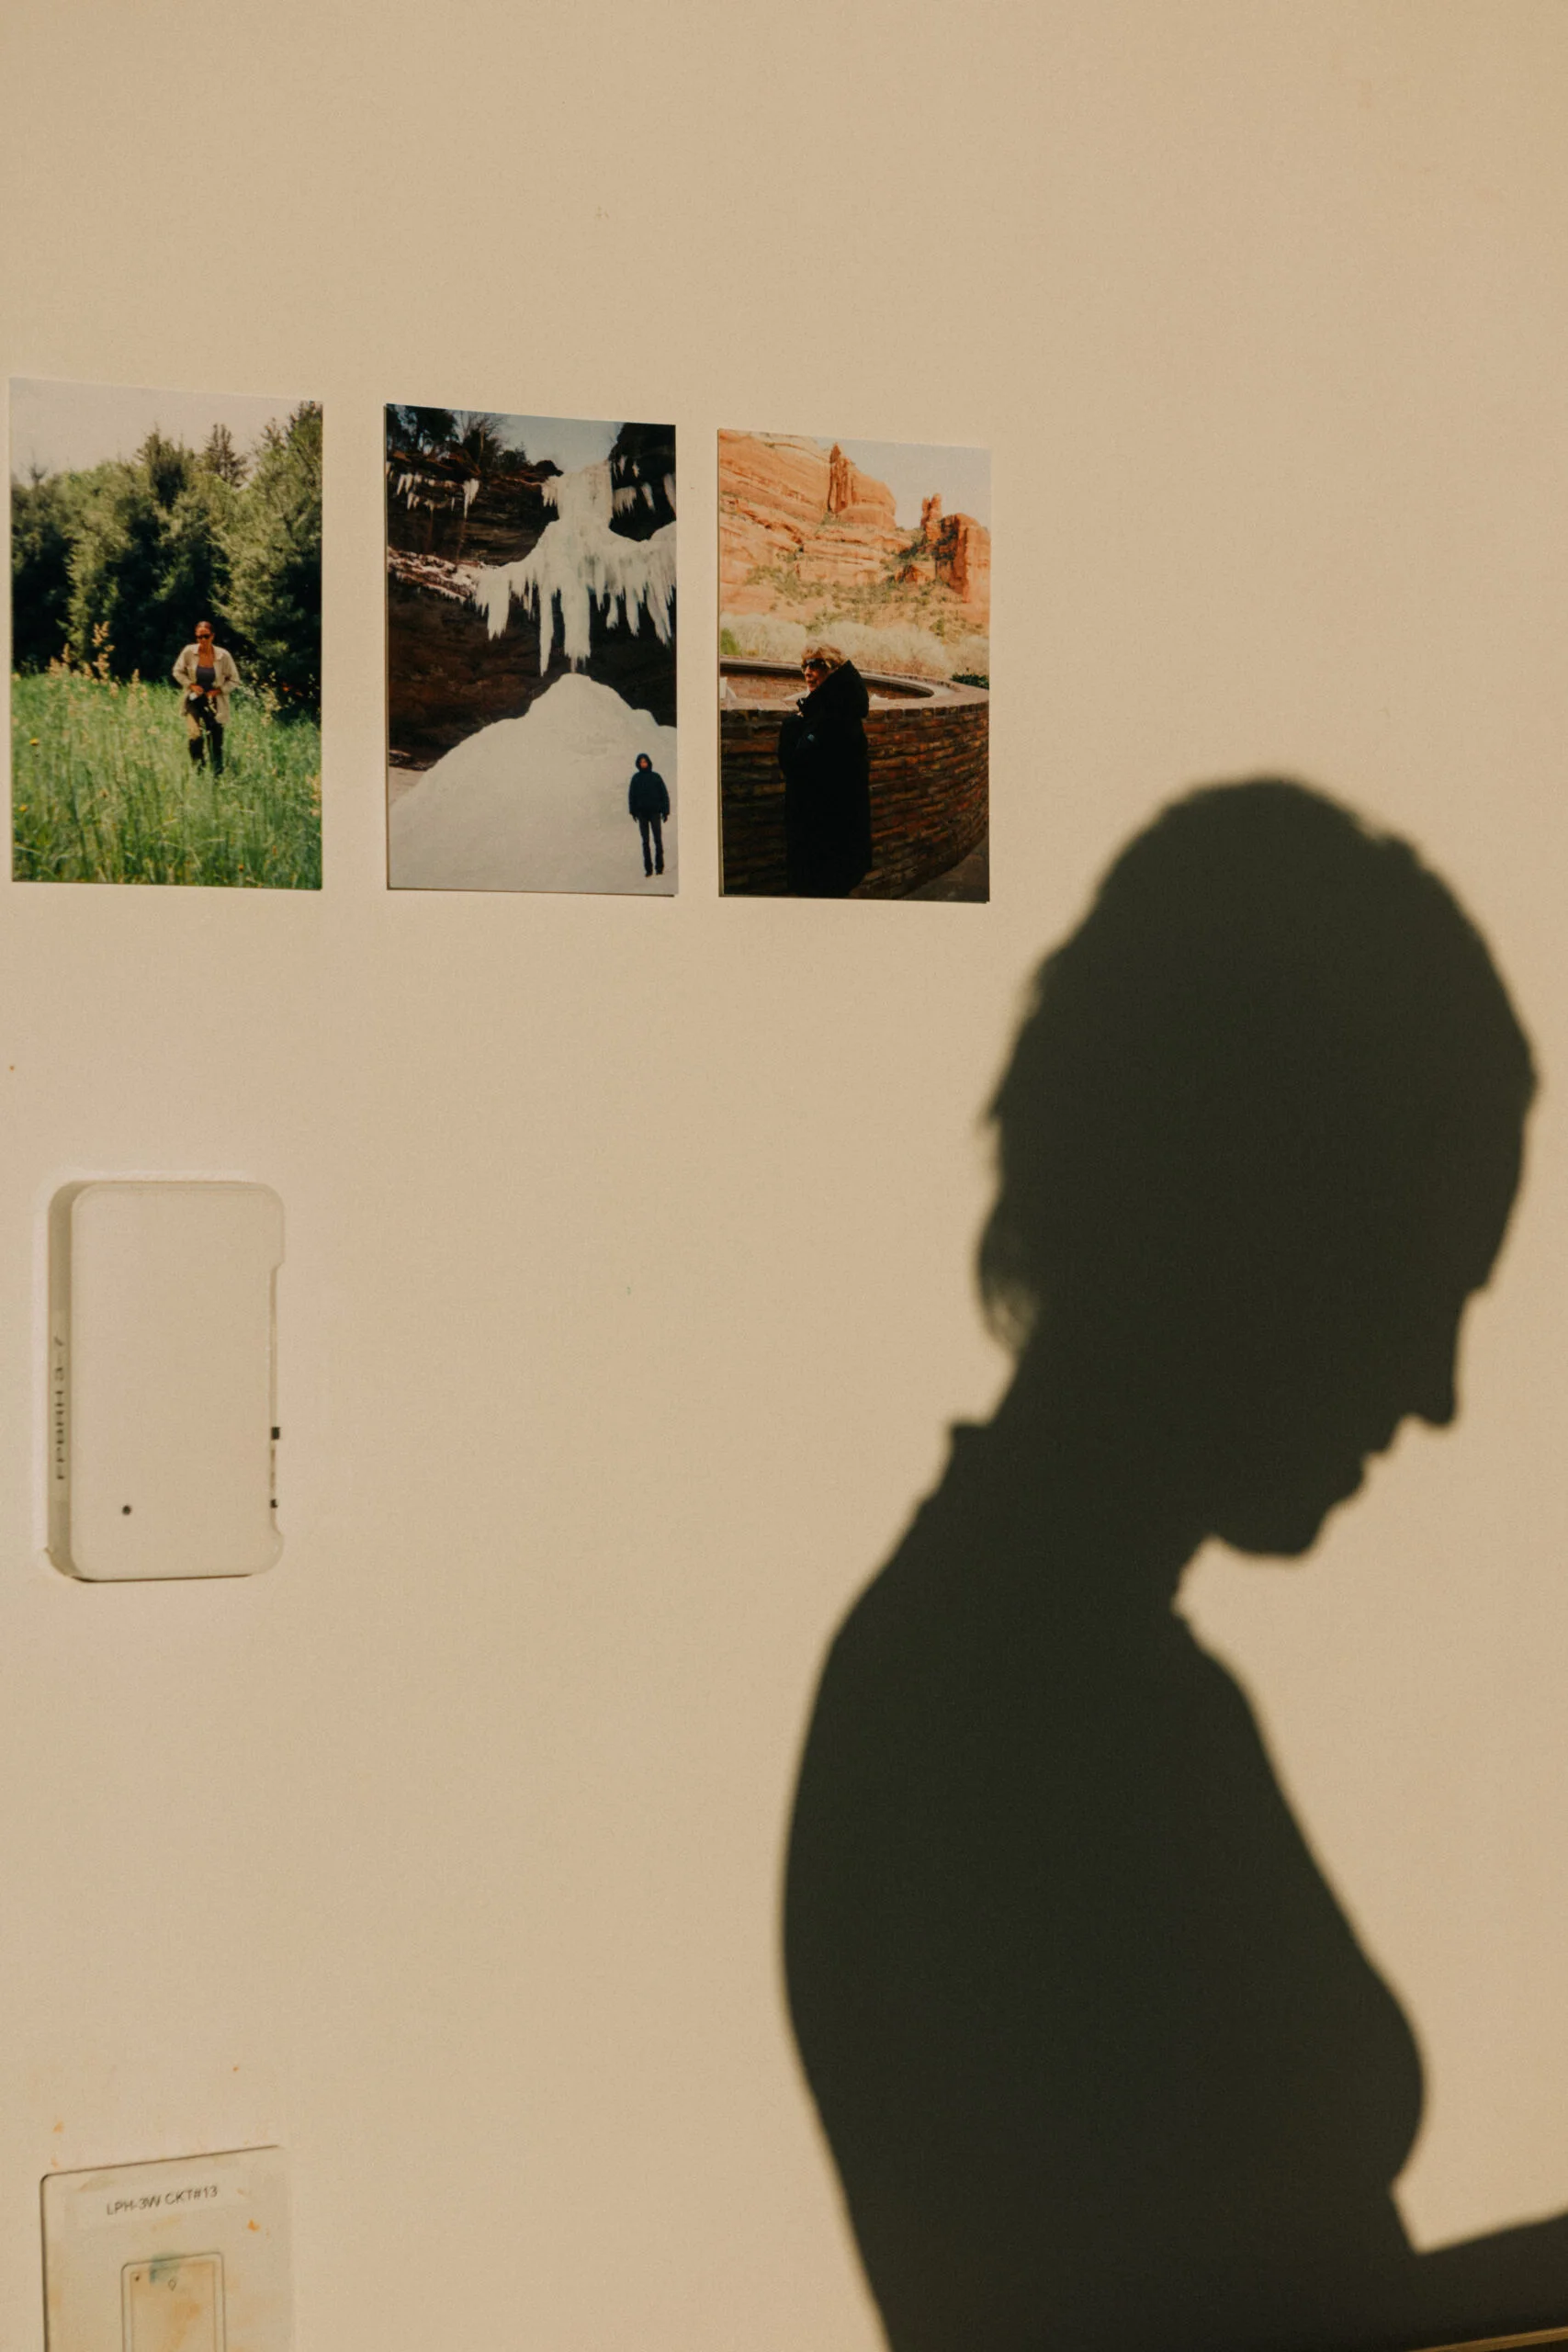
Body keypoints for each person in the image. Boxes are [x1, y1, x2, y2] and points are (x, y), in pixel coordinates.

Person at [784, 779, 1568, 2352]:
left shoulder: (1001, 1668)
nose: (1435, 1393)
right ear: (1244, 1220)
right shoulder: (1045, 1723)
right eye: (1420, 1286)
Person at [778, 641, 872, 897]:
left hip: (826, 841)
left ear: (833, 670)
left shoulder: (835, 718)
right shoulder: (834, 709)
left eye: (815, 665)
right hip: (833, 839)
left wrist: (792, 727)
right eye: (804, 666)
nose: (807, 672)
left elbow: (796, 765)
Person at [172, 620, 239, 775]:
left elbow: (234, 680)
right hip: (194, 700)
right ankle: (198, 770)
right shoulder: (189, 652)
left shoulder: (223, 656)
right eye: (199, 637)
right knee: (195, 735)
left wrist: (218, 691)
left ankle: (217, 775)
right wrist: (191, 685)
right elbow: (177, 671)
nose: (202, 640)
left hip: (215, 703)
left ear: (212, 636)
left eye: (205, 636)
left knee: (215, 742)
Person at [628, 752, 670, 876]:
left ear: (649, 762)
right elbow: (632, 796)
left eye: (645, 761)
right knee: (645, 841)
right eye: (641, 762)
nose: (643, 764)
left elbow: (664, 794)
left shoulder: (656, 777)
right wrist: (633, 811)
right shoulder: (636, 778)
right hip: (642, 814)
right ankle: (648, 869)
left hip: (655, 813)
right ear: (638, 764)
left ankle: (659, 868)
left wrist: (665, 811)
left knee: (657, 840)